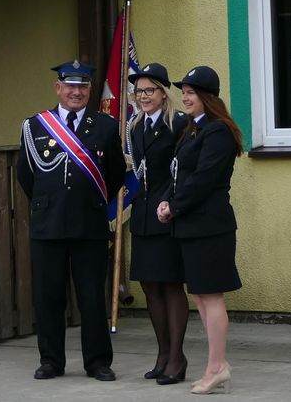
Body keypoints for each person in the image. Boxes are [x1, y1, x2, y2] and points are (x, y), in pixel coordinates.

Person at [15, 60, 125, 382]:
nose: (76, 92)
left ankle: (98, 362)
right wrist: (52, 203)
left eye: (83, 86)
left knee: (92, 296)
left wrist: (90, 201)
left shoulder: (105, 126)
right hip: (48, 224)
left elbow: (115, 174)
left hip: (89, 224)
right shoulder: (35, 126)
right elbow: (26, 176)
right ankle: (51, 360)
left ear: (90, 90)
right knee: (48, 296)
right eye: (71, 86)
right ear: (58, 88)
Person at [157, 65, 242, 396]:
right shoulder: (194, 130)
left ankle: (217, 367)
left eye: (191, 93)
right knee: (201, 296)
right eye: (184, 93)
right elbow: (179, 174)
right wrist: (167, 201)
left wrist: (175, 207)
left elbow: (204, 179)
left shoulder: (217, 131)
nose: (185, 98)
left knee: (211, 296)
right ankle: (217, 365)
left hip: (209, 227)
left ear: (207, 96)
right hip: (191, 226)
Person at [125, 62, 189, 385]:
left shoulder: (178, 124)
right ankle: (163, 354)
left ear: (164, 93)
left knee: (171, 284)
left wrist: (172, 203)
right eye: (139, 91)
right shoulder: (135, 127)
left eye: (150, 90)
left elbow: (184, 169)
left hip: (167, 214)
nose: (143, 96)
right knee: (150, 285)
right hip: (143, 215)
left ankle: (177, 357)